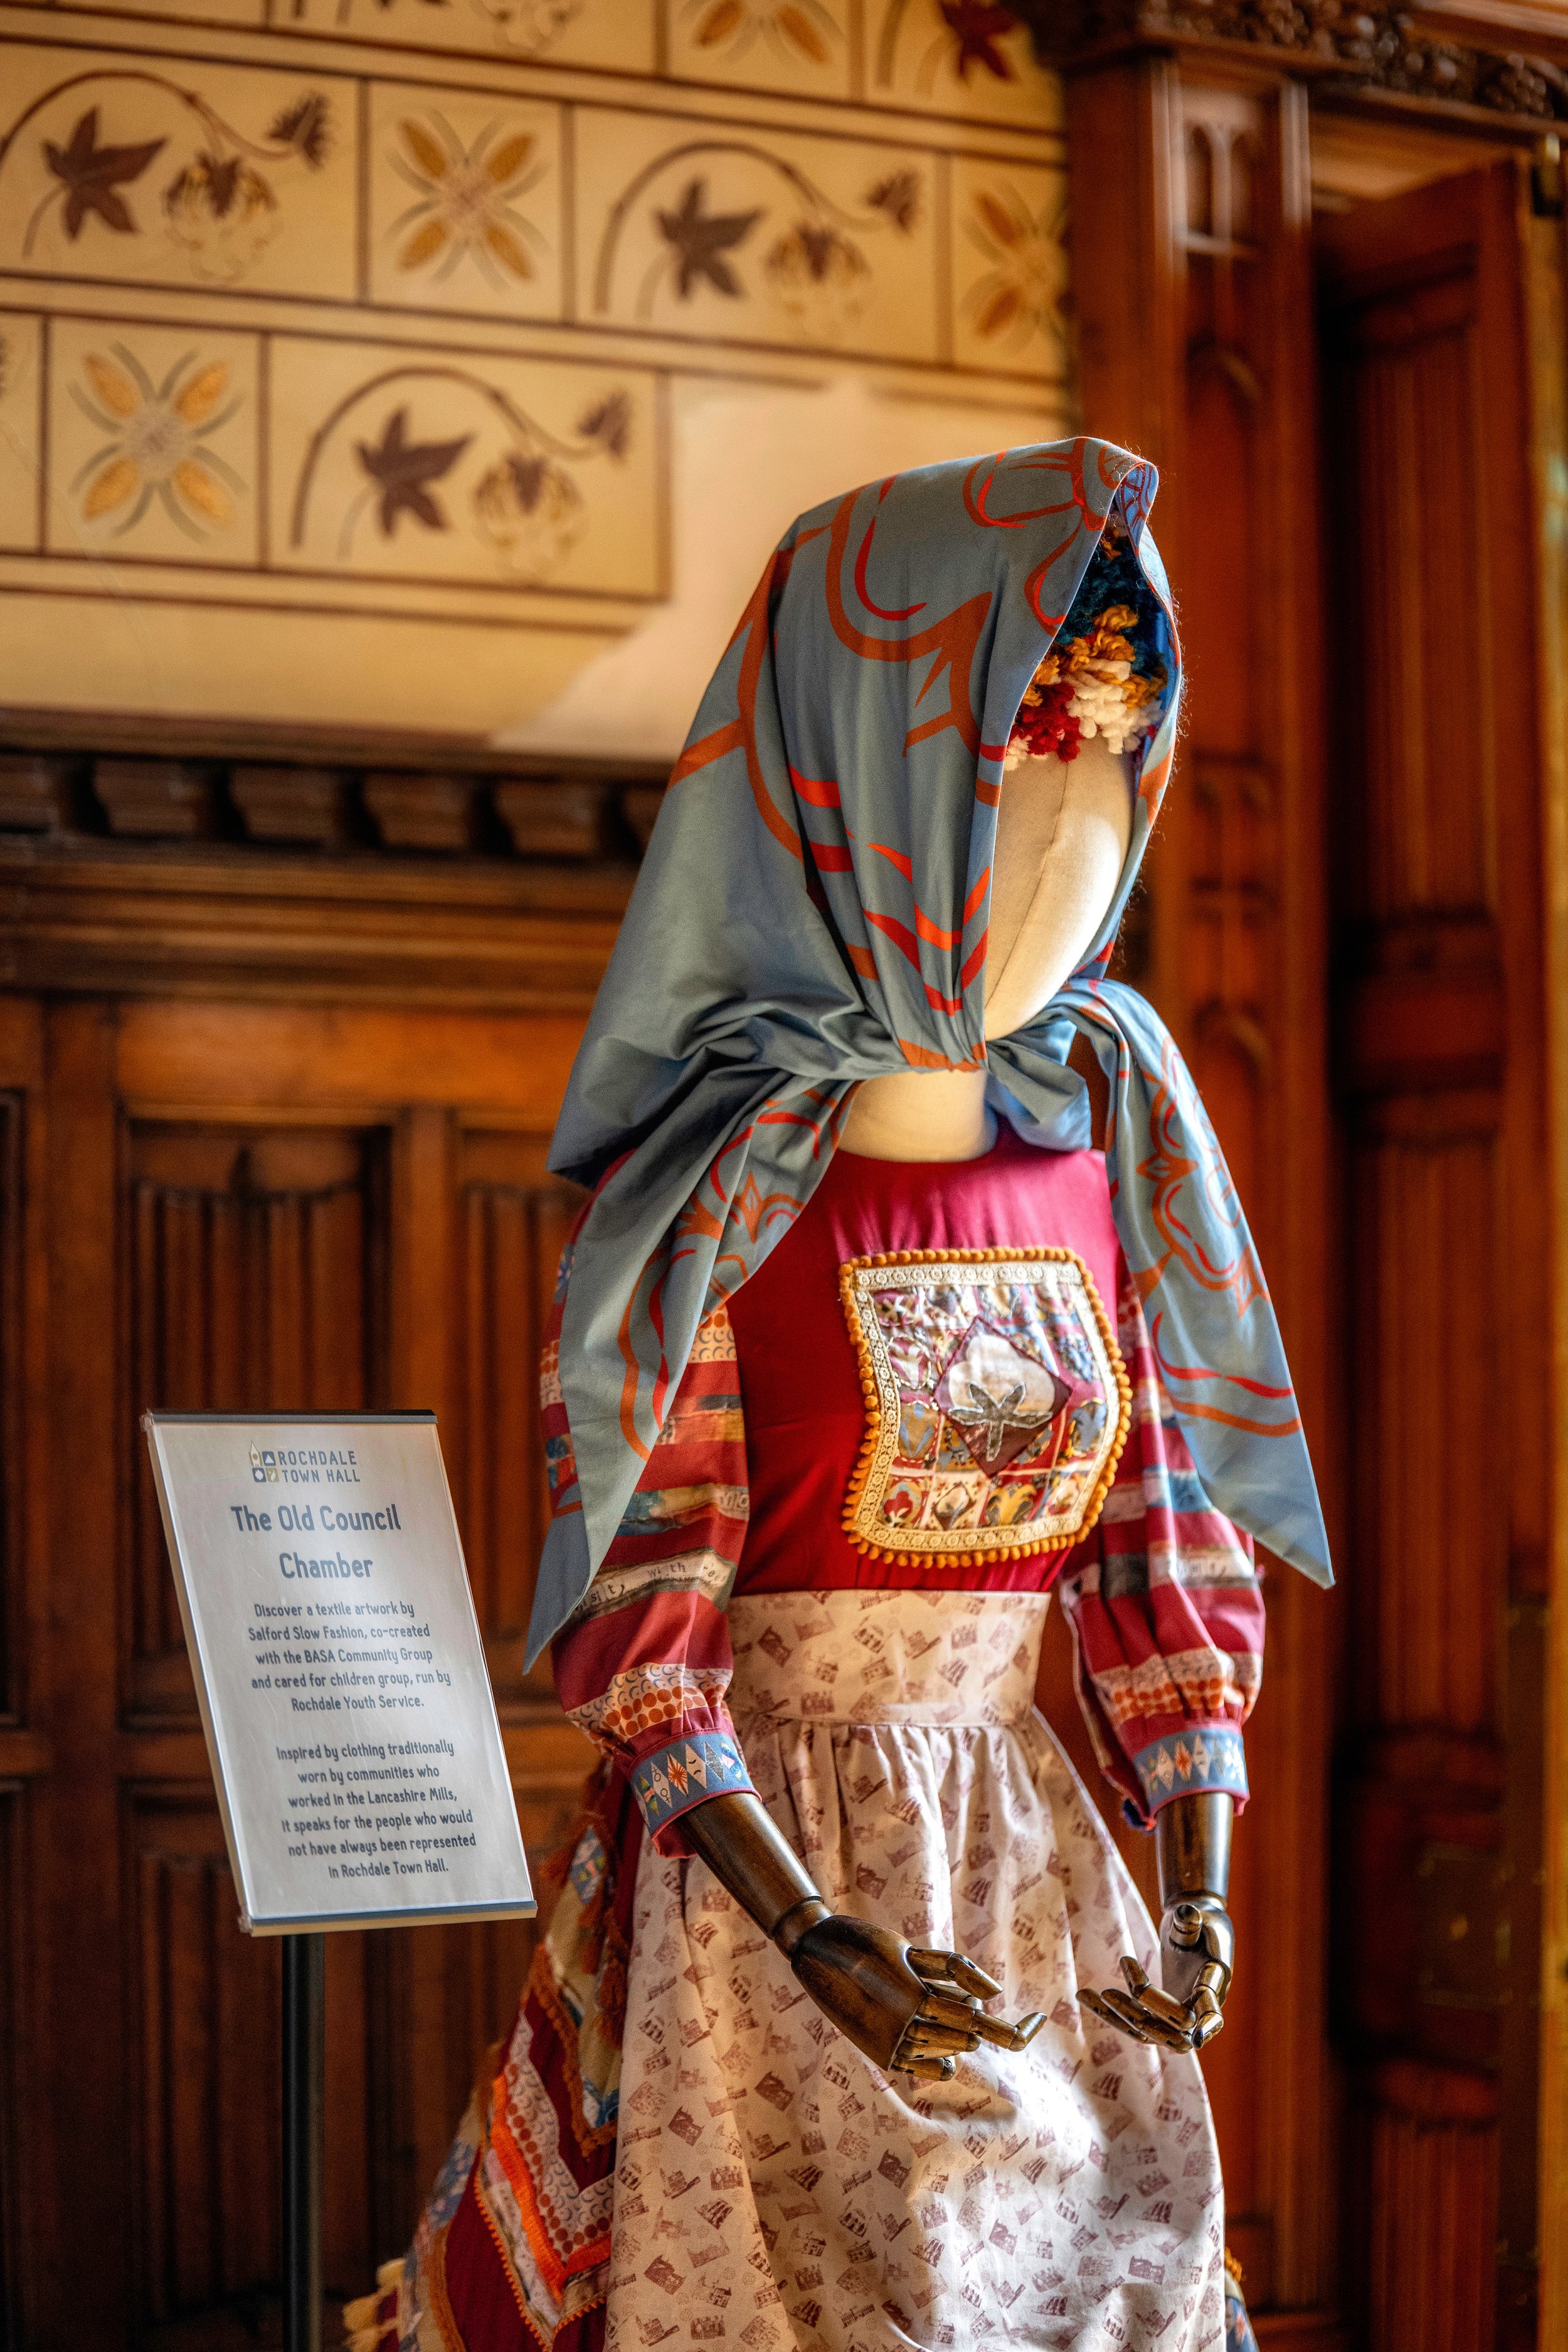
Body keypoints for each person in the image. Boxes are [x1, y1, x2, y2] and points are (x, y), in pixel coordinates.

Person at [347, 437, 1329, 2352]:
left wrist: (1191, 1866)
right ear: (856, 782)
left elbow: (1157, 1535)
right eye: (1007, 781)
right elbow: (655, 1622)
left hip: (1034, 1873)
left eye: (1109, 779)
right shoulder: (716, 1208)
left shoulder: (1104, 1156)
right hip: (758, 1893)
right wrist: (806, 1932)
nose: (1072, 850)